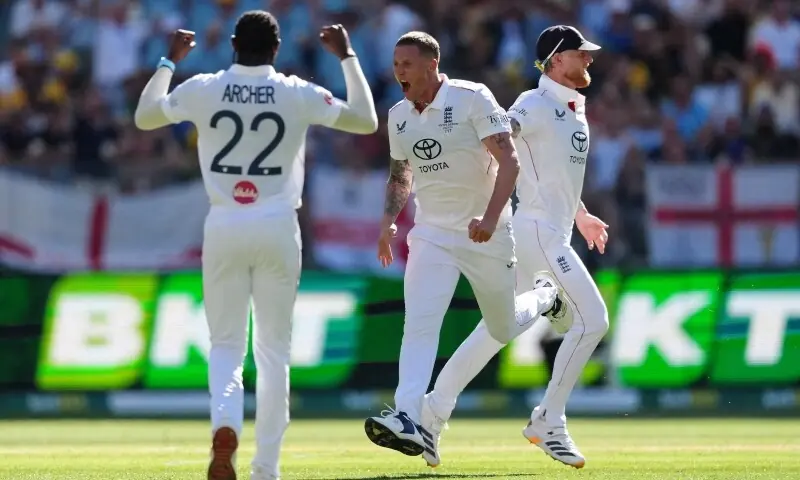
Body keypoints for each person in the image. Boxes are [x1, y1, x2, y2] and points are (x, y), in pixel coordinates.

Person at [133, 12, 378, 480]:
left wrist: (169, 60)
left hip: (224, 221)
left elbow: (145, 116)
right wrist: (347, 56)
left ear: (232, 43)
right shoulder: (296, 91)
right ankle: (266, 467)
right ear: (277, 47)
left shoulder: (204, 87)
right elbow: (366, 121)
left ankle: (225, 425)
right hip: (278, 224)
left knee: (226, 345)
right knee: (273, 352)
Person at [363, 31, 572, 460]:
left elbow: (510, 161)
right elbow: (401, 176)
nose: (399, 71)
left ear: (432, 65)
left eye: (407, 63)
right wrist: (387, 223)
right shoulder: (398, 116)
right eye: (396, 63)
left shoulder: (471, 98)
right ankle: (408, 417)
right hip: (432, 234)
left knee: (501, 327)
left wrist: (491, 219)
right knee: (419, 323)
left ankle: (545, 296)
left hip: (486, 233)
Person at [416, 25, 610, 470]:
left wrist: (581, 213)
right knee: (593, 320)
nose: (589, 59)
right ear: (556, 61)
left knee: (498, 328)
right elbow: (501, 134)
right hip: (539, 232)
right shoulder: (534, 102)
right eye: (580, 53)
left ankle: (432, 410)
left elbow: (552, 173)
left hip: (547, 230)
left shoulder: (571, 107)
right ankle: (548, 420)